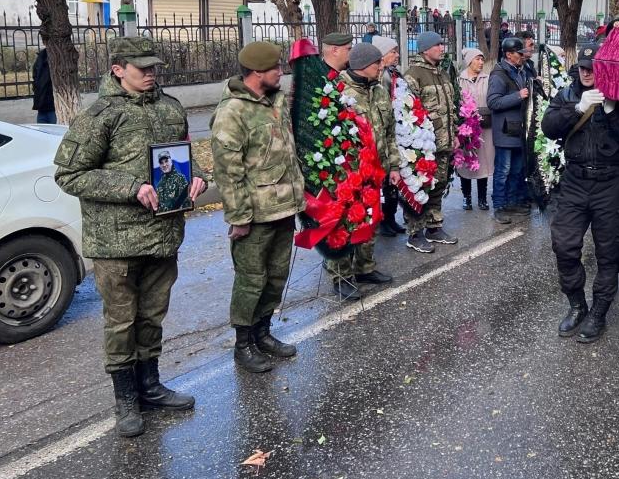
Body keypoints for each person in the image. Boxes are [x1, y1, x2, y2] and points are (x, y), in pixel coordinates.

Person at [55, 36, 206, 437]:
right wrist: (130, 187)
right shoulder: (100, 115)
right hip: (117, 241)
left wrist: (197, 179)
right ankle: (126, 400)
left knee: (152, 316)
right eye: (143, 68)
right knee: (121, 321)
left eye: (154, 67)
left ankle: (150, 386)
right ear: (118, 70)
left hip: (163, 234)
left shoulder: (170, 107)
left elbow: (182, 156)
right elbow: (69, 174)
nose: (151, 74)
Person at [211, 41, 305, 373]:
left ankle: (263, 333)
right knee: (251, 280)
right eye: (275, 68)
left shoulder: (274, 101)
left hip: (283, 207)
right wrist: (239, 217)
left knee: (276, 276)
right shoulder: (233, 111)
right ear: (256, 72)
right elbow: (228, 171)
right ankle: (243, 344)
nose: (280, 72)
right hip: (255, 214)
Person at [541, 42, 619, 342]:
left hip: (611, 183)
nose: (586, 74)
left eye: (592, 69)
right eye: (582, 68)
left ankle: (599, 312)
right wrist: (577, 109)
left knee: (608, 253)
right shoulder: (567, 95)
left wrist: (612, 111)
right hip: (576, 180)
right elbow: (548, 127)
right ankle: (577, 304)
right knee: (564, 245)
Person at [323, 42, 399, 299]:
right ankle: (341, 276)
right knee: (345, 224)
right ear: (364, 65)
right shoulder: (338, 91)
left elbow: (389, 132)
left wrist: (394, 165)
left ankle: (365, 268)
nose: (381, 66)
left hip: (376, 171)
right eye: (377, 63)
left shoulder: (379, 90)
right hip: (348, 174)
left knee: (370, 220)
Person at [404, 31, 459, 251]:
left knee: (439, 184)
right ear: (425, 49)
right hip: (423, 146)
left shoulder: (442, 73)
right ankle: (415, 232)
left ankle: (434, 227)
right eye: (437, 45)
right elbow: (408, 112)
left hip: (444, 142)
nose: (441, 48)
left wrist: (454, 135)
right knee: (420, 187)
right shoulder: (413, 75)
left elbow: (450, 109)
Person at [487, 36, 531, 224]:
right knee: (502, 171)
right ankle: (499, 206)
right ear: (508, 55)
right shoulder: (499, 74)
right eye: (518, 53)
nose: (522, 56)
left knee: (516, 170)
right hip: (505, 132)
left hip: (518, 131)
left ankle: (512, 203)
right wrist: (518, 96)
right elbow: (493, 102)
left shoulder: (520, 71)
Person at [372, 35, 407, 237]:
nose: (397, 55)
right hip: (381, 135)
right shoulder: (378, 77)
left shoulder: (394, 73)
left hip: (395, 131)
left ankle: (391, 218)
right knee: (383, 183)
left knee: (393, 182)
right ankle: (382, 220)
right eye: (393, 51)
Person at [456, 47, 494, 211]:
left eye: (482, 59)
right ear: (469, 61)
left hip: (484, 128)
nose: (480, 62)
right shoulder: (459, 80)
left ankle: (482, 198)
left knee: (483, 163)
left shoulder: (488, 78)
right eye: (477, 59)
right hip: (466, 129)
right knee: (465, 163)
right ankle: (467, 197)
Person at [32, 44, 56, 123]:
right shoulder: (42, 56)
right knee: (43, 128)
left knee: (53, 128)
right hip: (42, 105)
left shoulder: (57, 57)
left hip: (51, 106)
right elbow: (35, 75)